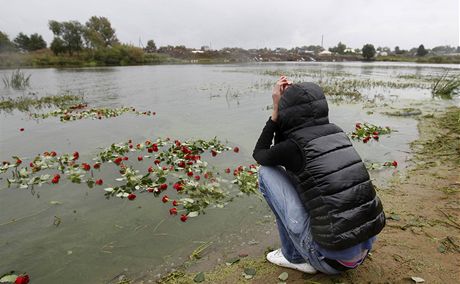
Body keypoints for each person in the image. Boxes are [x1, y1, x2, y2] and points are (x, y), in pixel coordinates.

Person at [253, 77, 386, 274]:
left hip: (328, 261)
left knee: (266, 172)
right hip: (361, 250)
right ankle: (314, 251)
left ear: (286, 111)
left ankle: (294, 256)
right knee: (310, 179)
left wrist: (275, 112)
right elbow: (287, 149)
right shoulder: (337, 133)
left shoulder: (293, 147)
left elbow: (260, 154)